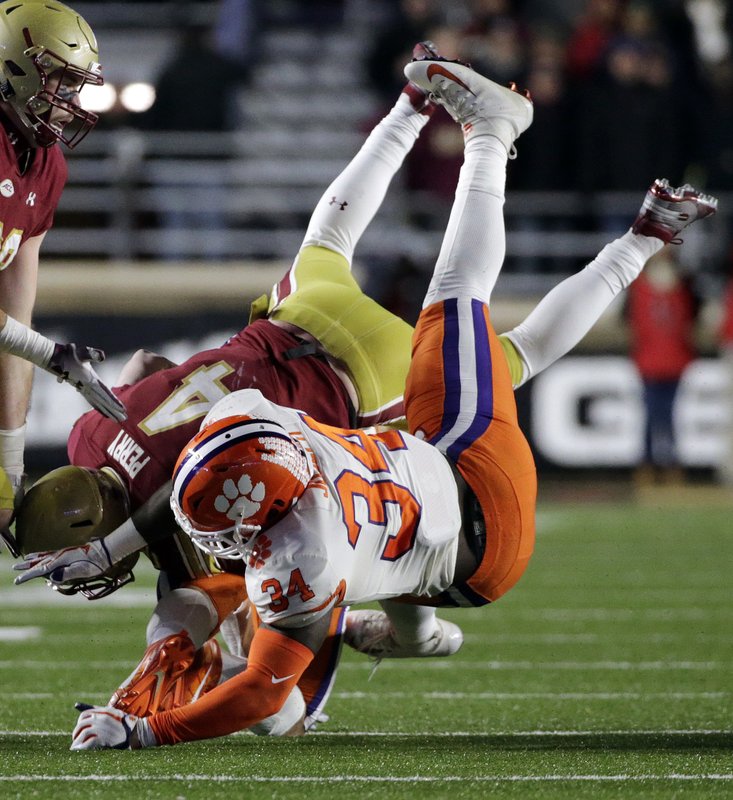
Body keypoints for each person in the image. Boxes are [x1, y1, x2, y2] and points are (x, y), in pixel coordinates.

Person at [26, 52, 715, 749]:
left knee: (503, 343)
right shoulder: (152, 429)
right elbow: (152, 378)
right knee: (332, 240)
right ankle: (410, 108)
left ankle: (506, 145)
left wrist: (158, 699)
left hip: (411, 457)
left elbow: (258, 680)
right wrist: (120, 530)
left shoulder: (288, 544)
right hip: (287, 332)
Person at [0, 0, 126, 543]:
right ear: (13, 67)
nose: (69, 102)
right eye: (58, 81)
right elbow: (28, 341)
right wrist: (50, 356)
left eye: (75, 86)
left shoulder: (46, 163)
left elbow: (15, 315)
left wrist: (10, 457)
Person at [626, 246, 700, 486]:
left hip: (665, 359)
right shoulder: (650, 282)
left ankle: (659, 466)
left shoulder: (682, 282)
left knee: (661, 413)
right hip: (656, 359)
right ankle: (660, 465)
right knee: (658, 414)